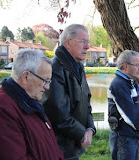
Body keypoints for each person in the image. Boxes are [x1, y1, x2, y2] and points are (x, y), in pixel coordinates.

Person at [0, 49, 64, 160]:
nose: (47, 87)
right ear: (25, 77)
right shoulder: (1, 110)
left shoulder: (30, 101)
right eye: (45, 80)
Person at [42, 24, 96, 160]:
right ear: (68, 42)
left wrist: (90, 129)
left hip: (73, 146)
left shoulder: (78, 67)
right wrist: (82, 133)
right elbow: (59, 115)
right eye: (83, 41)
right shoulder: (55, 68)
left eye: (88, 42)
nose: (87, 46)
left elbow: (86, 103)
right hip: (60, 149)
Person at [108, 50, 139, 160]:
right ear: (125, 66)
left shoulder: (131, 83)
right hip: (123, 138)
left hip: (132, 136)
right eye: (137, 65)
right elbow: (129, 114)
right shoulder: (118, 85)